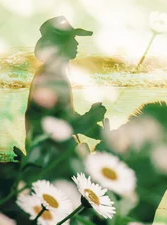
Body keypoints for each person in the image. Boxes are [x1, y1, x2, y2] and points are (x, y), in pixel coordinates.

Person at [25, 16, 107, 147]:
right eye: (72, 39)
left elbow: (63, 119)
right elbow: (61, 125)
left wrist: (103, 133)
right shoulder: (52, 78)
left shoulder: (53, 73)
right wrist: (92, 116)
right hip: (48, 154)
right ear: (59, 45)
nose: (77, 44)